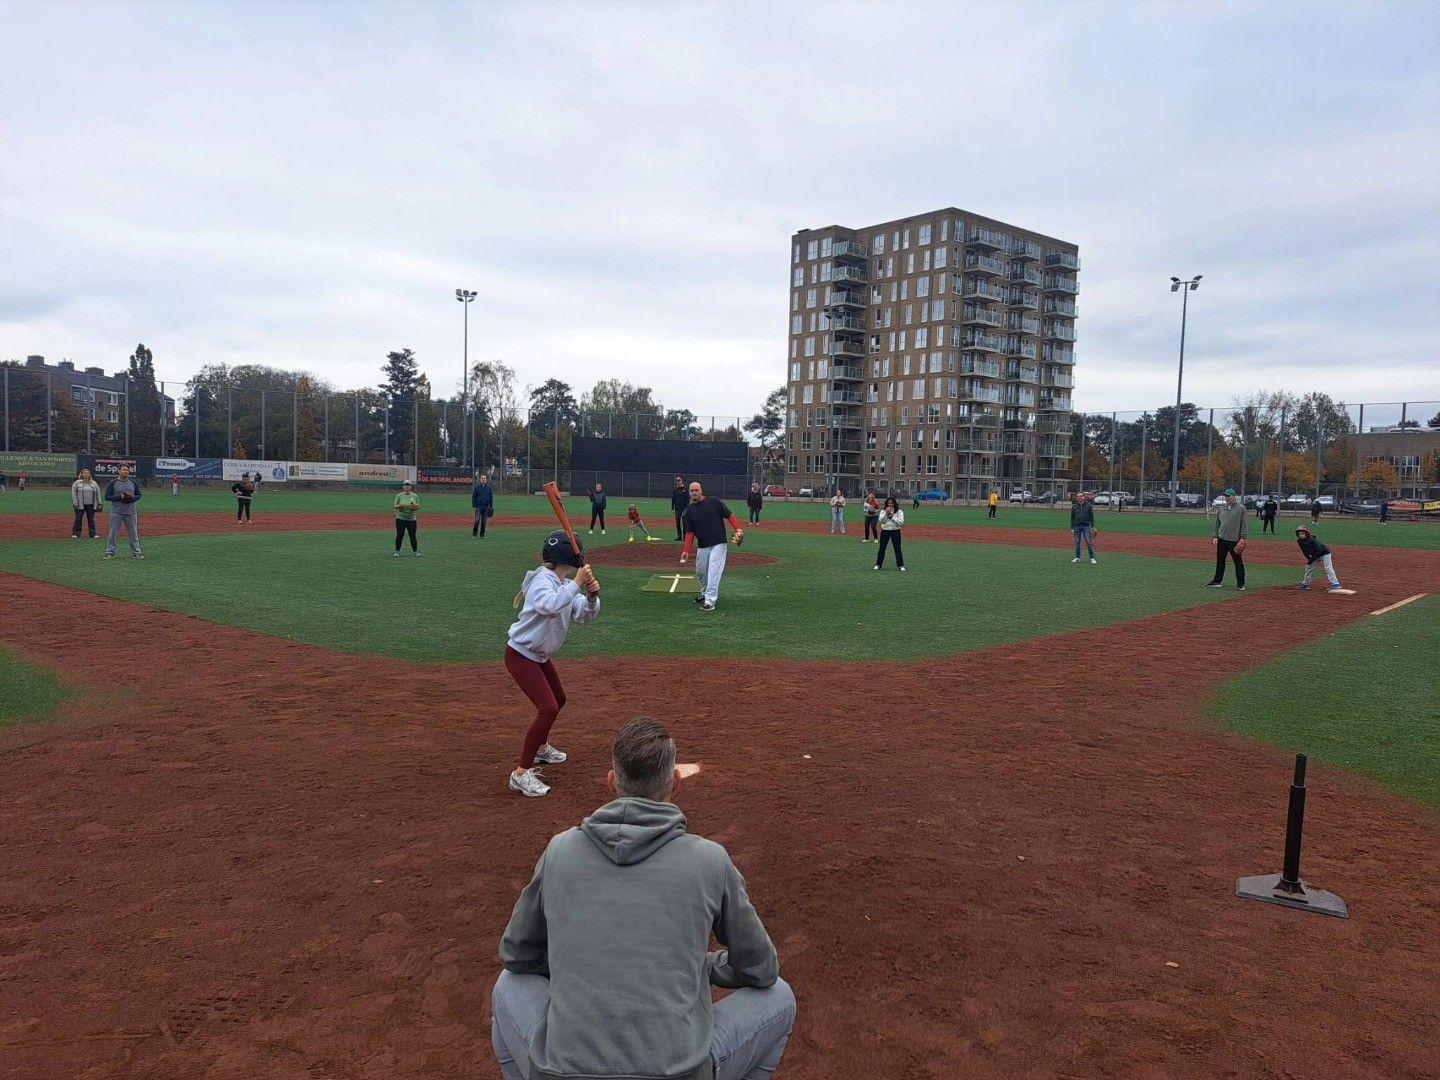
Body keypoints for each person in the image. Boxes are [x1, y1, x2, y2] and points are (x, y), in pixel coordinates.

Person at [493, 718, 794, 1080]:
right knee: (779, 997)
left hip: (560, 1073)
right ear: (676, 783)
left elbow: (517, 955)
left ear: (611, 782)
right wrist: (703, 965)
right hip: (679, 1074)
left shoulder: (560, 850)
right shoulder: (710, 859)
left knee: (508, 983)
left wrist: (582, 960)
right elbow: (761, 969)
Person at [505, 530, 600, 797]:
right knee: (547, 708)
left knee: (558, 699)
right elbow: (548, 606)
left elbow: (583, 616)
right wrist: (577, 584)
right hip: (521, 654)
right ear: (569, 558)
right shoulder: (542, 580)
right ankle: (521, 773)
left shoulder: (563, 582)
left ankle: (541, 747)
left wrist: (591, 598)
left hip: (538, 656)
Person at [680, 481, 744, 611]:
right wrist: (686, 551)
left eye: (696, 490)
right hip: (703, 545)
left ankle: (710, 601)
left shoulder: (714, 501)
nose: (694, 492)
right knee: (701, 571)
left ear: (701, 490)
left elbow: (729, 515)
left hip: (718, 543)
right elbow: (690, 533)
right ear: (689, 493)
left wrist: (737, 529)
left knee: (714, 570)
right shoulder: (689, 512)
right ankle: (704, 594)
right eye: (692, 491)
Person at [1207, 488, 1247, 591]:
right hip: (1222, 538)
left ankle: (1240, 584)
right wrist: (1215, 536)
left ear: (1234, 496)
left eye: (1228, 496)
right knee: (1220, 560)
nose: (1227, 498)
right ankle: (1217, 581)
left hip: (1234, 539)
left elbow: (1244, 524)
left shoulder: (1241, 509)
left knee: (1237, 561)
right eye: (1225, 496)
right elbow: (1218, 523)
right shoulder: (1221, 509)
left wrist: (1243, 537)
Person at [103, 465, 144, 559]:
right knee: (112, 533)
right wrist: (121, 497)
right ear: (119, 471)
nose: (126, 471)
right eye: (124, 470)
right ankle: (110, 552)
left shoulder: (133, 482)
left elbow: (139, 495)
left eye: (128, 470)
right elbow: (107, 496)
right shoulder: (113, 483)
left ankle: (137, 553)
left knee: (133, 533)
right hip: (117, 511)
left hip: (131, 511)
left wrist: (132, 498)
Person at [1294, 525, 1343, 592]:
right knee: (1308, 567)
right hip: (1316, 555)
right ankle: (1305, 584)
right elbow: (1304, 551)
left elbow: (1319, 550)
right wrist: (1309, 559)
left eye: (1303, 533)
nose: (1301, 535)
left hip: (1324, 553)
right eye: (1299, 534)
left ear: (1306, 534)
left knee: (1328, 568)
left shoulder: (1312, 540)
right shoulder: (1299, 541)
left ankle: (1335, 584)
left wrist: (1312, 558)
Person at [874, 496, 906, 571]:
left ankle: (900, 565)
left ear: (894, 503)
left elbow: (900, 522)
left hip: (895, 531)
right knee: (882, 548)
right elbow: (881, 521)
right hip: (885, 531)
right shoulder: (883, 511)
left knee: (897, 548)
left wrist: (892, 517)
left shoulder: (899, 512)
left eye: (891, 503)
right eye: (888, 503)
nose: (890, 505)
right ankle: (878, 564)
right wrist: (886, 514)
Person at [71, 468, 102, 540]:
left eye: (88, 473)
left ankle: (93, 534)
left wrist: (99, 502)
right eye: (84, 473)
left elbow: (98, 493)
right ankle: (76, 534)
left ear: (90, 475)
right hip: (79, 504)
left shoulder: (93, 483)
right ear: (82, 474)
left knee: (91, 519)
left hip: (91, 504)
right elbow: (73, 493)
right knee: (78, 519)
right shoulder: (77, 483)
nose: (86, 474)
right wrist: (75, 502)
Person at [393, 480, 420, 556]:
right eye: (405, 485)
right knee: (399, 535)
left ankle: (415, 551)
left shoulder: (415, 496)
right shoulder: (399, 495)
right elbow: (395, 505)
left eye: (408, 485)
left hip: (411, 519)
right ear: (403, 486)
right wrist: (400, 506)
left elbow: (418, 506)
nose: (407, 486)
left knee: (412, 535)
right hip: (400, 518)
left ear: (411, 487)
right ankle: (397, 551)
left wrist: (413, 507)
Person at [1070, 492, 1098, 564]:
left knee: (1088, 542)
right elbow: (1072, 518)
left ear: (1084, 497)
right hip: (1077, 526)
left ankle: (1092, 558)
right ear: (1076, 498)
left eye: (1081, 496)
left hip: (1086, 526)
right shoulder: (1074, 507)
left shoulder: (1088, 506)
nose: (1079, 497)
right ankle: (1077, 557)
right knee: (1077, 542)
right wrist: (1072, 528)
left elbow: (1091, 517)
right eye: (1078, 496)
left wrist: (1092, 526)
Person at [472, 473, 495, 538]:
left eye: (484, 478)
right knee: (477, 520)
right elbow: (474, 497)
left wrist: (491, 506)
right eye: (482, 478)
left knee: (484, 521)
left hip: (486, 507)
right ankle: (474, 534)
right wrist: (474, 506)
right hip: (478, 506)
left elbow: (491, 497)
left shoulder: (488, 488)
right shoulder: (477, 488)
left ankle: (482, 534)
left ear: (486, 479)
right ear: (480, 479)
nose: (483, 480)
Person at [670, 475, 690, 540]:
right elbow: (673, 499)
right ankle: (679, 537)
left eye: (679, 480)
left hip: (684, 509)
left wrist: (686, 508)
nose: (678, 482)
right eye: (677, 481)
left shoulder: (686, 489)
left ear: (682, 481)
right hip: (677, 510)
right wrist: (672, 508)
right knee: (678, 524)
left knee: (685, 524)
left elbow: (687, 499)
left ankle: (685, 537)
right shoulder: (675, 490)